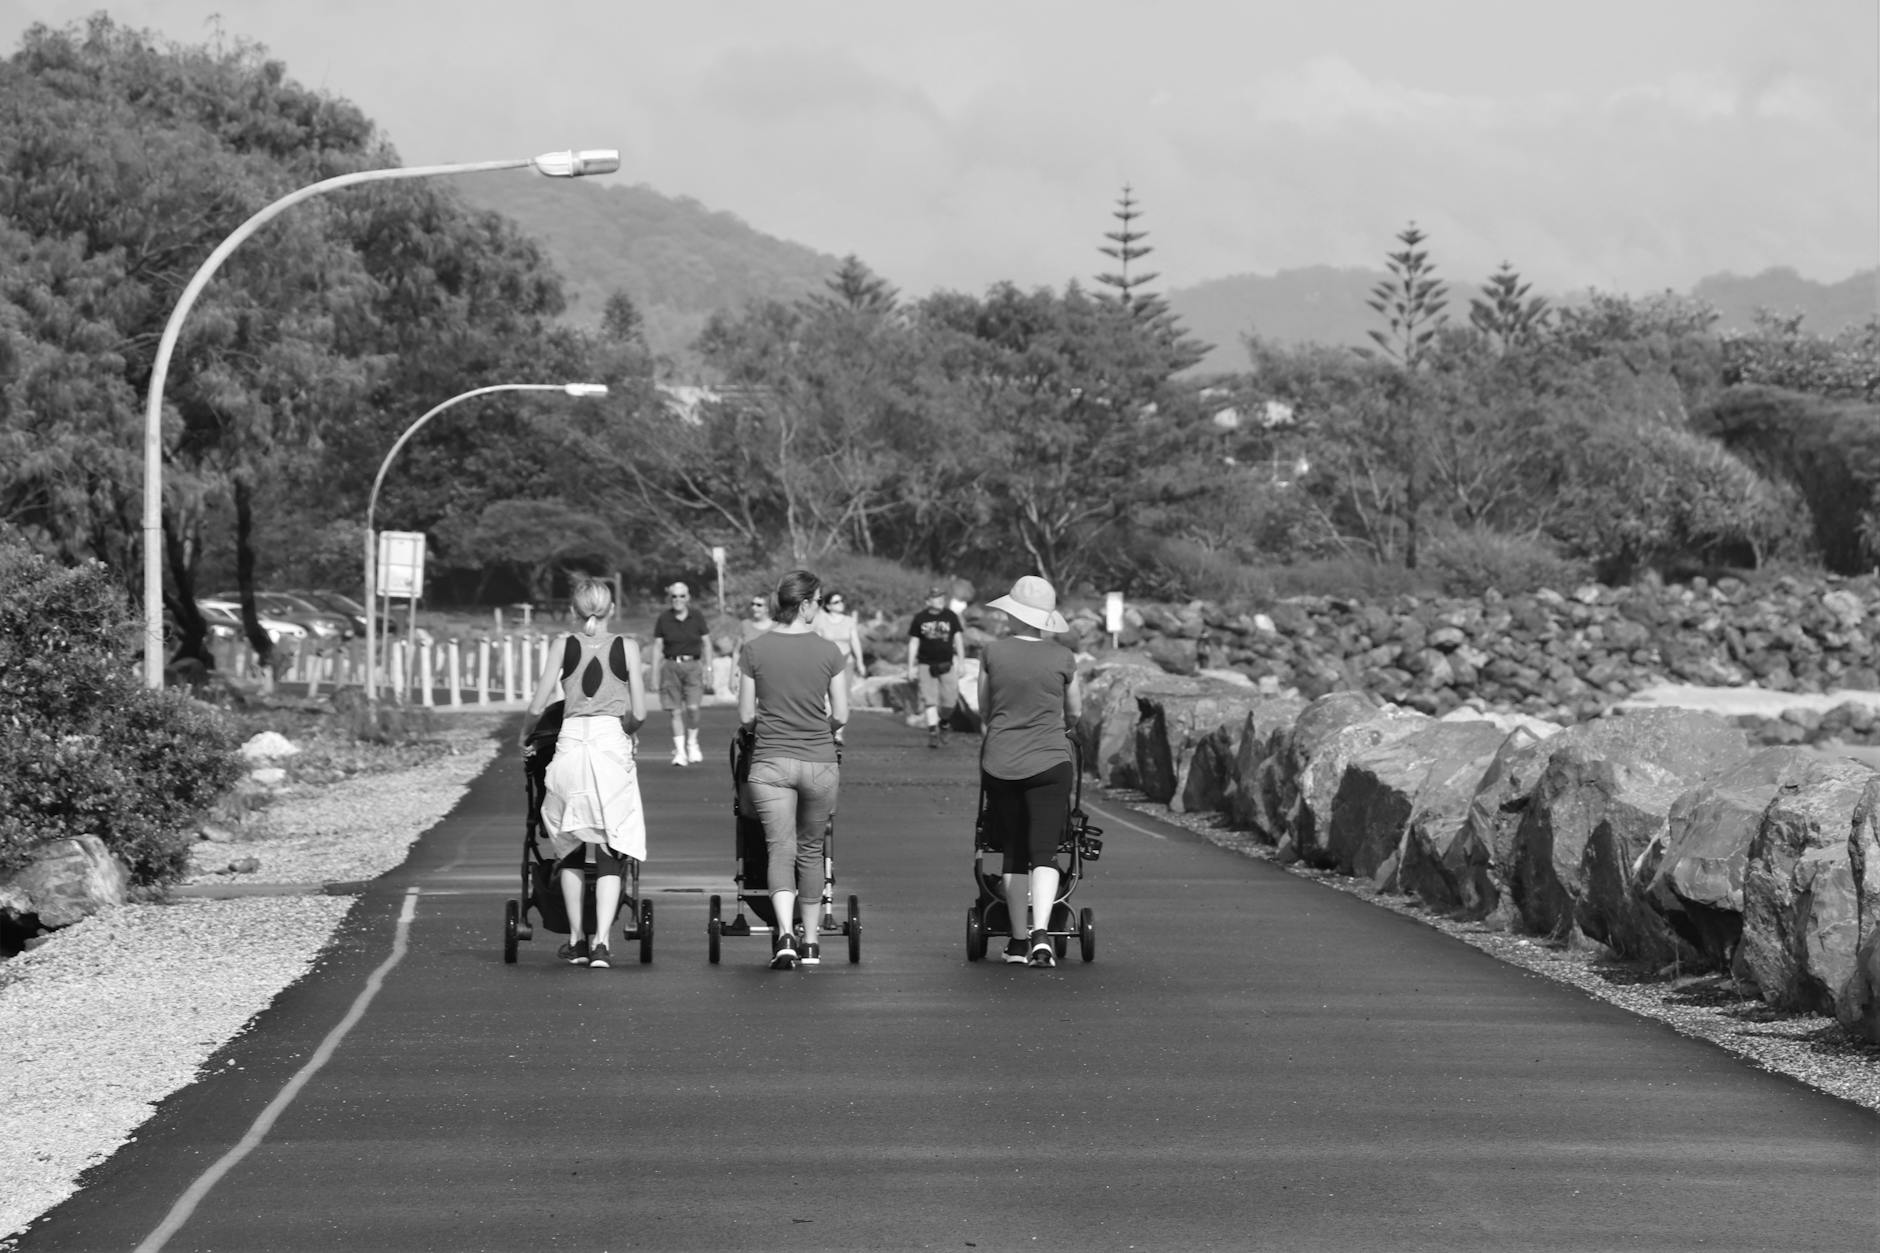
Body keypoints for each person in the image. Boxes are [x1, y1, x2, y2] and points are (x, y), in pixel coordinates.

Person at [519, 578, 648, 968]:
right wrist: (626, 732)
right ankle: (602, 943)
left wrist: (524, 735)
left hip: (572, 741)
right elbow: (639, 712)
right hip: (610, 739)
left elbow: (541, 701)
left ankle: (576, 938)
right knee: (611, 844)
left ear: (573, 611)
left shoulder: (563, 645)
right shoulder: (627, 647)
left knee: (570, 842)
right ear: (611, 609)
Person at [738, 569, 848, 970]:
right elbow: (841, 713)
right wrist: (819, 727)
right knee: (812, 850)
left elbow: (747, 715)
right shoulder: (830, 651)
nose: (818, 608)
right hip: (818, 760)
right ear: (803, 605)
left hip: (770, 762)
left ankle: (784, 934)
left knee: (778, 848)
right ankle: (813, 941)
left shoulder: (753, 649)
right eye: (817, 601)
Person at [977, 575, 1082, 968]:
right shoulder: (1063, 657)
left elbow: (983, 708)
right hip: (1051, 761)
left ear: (1012, 613)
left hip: (1002, 760)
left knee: (1013, 852)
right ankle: (1043, 934)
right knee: (1045, 850)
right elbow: (1075, 712)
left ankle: (1018, 941)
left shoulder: (992, 652)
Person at [650, 581, 714, 767]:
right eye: (674, 596)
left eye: (681, 596)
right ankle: (680, 752)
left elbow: (707, 643)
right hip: (670, 667)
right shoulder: (663, 618)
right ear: (670, 598)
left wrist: (709, 670)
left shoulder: (697, 617)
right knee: (675, 711)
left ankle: (692, 743)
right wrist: (654, 675)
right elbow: (657, 647)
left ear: (688, 598)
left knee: (693, 708)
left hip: (693, 666)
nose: (678, 599)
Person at [906, 583, 965, 748]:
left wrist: (962, 662)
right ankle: (933, 733)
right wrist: (910, 667)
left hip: (947, 663)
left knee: (949, 702)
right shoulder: (920, 618)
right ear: (927, 601)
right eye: (936, 598)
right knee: (929, 700)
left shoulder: (951, 616)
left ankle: (944, 722)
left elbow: (958, 639)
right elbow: (913, 642)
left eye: (942, 597)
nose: (940, 600)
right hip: (925, 664)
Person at [812, 589, 867, 688]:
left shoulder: (849, 621)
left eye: (841, 601)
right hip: (827, 663)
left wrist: (860, 662)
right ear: (828, 606)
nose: (841, 604)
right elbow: (816, 643)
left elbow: (855, 642)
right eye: (836, 602)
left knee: (844, 695)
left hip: (846, 662)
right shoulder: (820, 620)